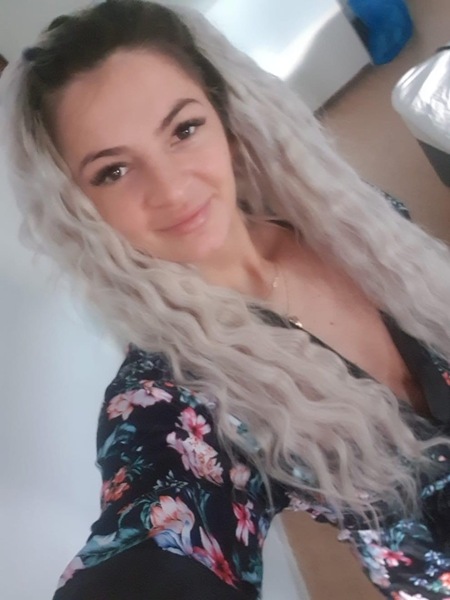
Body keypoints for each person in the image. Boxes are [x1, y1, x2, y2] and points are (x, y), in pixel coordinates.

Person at [1, 1, 450, 598]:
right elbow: (157, 531)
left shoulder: (351, 220)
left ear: (225, 117)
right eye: (113, 172)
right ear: (80, 208)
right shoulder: (172, 395)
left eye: (184, 130)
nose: (172, 189)